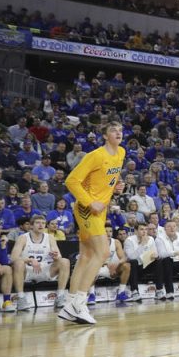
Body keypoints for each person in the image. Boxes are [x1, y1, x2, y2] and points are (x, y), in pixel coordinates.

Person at [59, 121, 126, 325]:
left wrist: (116, 186)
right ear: (105, 136)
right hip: (86, 209)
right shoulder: (95, 155)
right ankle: (79, 303)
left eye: (120, 130)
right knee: (103, 253)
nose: (118, 133)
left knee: (86, 256)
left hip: (101, 210)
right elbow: (71, 181)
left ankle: (69, 303)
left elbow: (110, 176)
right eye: (113, 131)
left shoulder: (121, 152)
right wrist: (89, 202)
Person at [11, 215, 71, 310]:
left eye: (43, 223)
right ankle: (21, 298)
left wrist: (55, 256)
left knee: (64, 261)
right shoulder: (23, 238)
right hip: (27, 270)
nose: (41, 225)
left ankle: (60, 296)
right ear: (31, 225)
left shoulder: (50, 237)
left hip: (45, 269)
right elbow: (13, 258)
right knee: (18, 263)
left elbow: (58, 256)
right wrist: (30, 260)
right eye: (38, 223)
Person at [91, 225, 132, 303]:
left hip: (110, 269)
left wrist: (117, 264)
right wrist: (104, 263)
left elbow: (123, 258)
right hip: (97, 266)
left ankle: (121, 293)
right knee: (91, 268)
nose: (108, 233)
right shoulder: (95, 242)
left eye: (110, 231)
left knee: (126, 266)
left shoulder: (116, 242)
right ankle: (91, 295)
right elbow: (91, 259)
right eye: (106, 231)